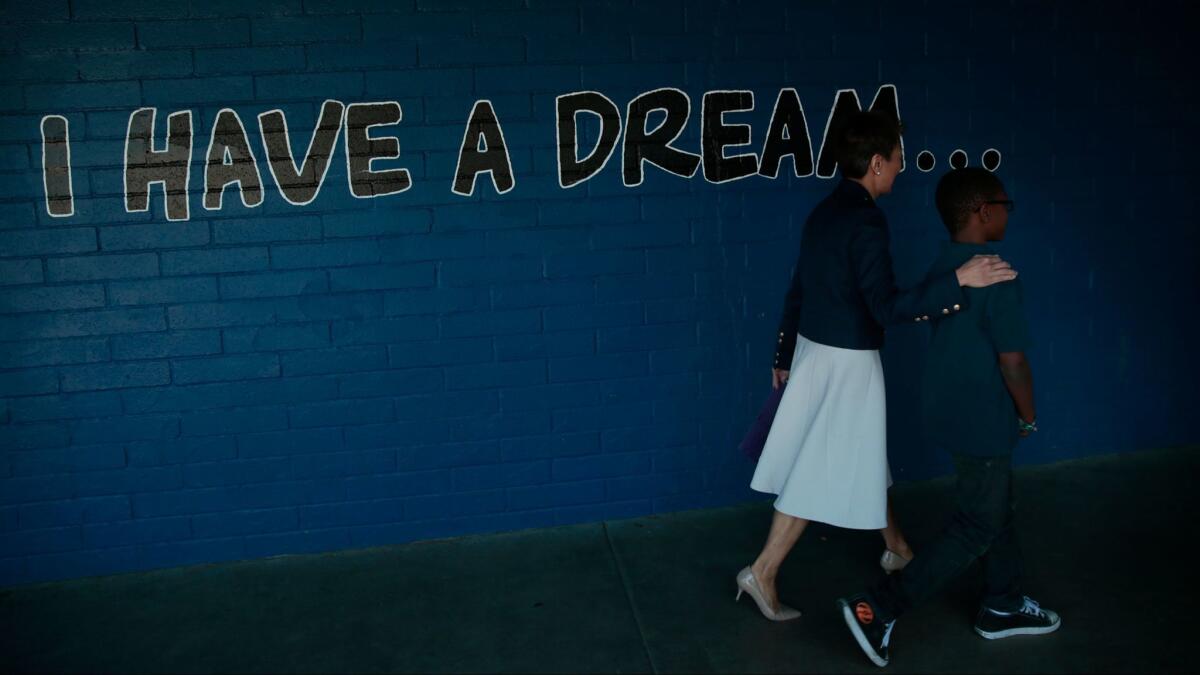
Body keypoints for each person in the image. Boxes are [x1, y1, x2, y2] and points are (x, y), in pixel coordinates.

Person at [736, 112, 1019, 622]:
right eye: (897, 159)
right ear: (875, 163)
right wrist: (960, 279)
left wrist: (782, 357)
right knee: (818, 468)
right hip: (847, 361)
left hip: (814, 352)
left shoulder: (824, 212)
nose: (901, 169)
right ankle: (764, 569)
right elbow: (886, 307)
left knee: (862, 451)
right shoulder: (866, 220)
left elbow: (797, 290)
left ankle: (897, 548)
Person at [838, 167, 1059, 668]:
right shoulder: (997, 276)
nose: (1008, 211)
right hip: (983, 415)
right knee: (975, 524)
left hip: (947, 409)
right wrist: (1028, 415)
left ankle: (1002, 604)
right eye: (1005, 204)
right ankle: (877, 609)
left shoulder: (946, 265)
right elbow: (1014, 362)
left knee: (995, 504)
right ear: (985, 211)